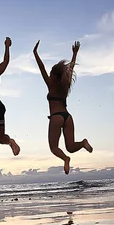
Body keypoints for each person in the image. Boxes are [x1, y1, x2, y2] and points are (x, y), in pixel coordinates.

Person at [33, 40, 93, 174]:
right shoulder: (65, 86)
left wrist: (35, 53)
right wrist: (75, 54)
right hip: (68, 117)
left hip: (56, 117)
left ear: (54, 75)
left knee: (54, 147)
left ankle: (65, 159)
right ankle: (83, 143)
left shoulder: (51, 84)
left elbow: (41, 68)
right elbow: (71, 69)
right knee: (71, 146)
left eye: (50, 73)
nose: (48, 75)